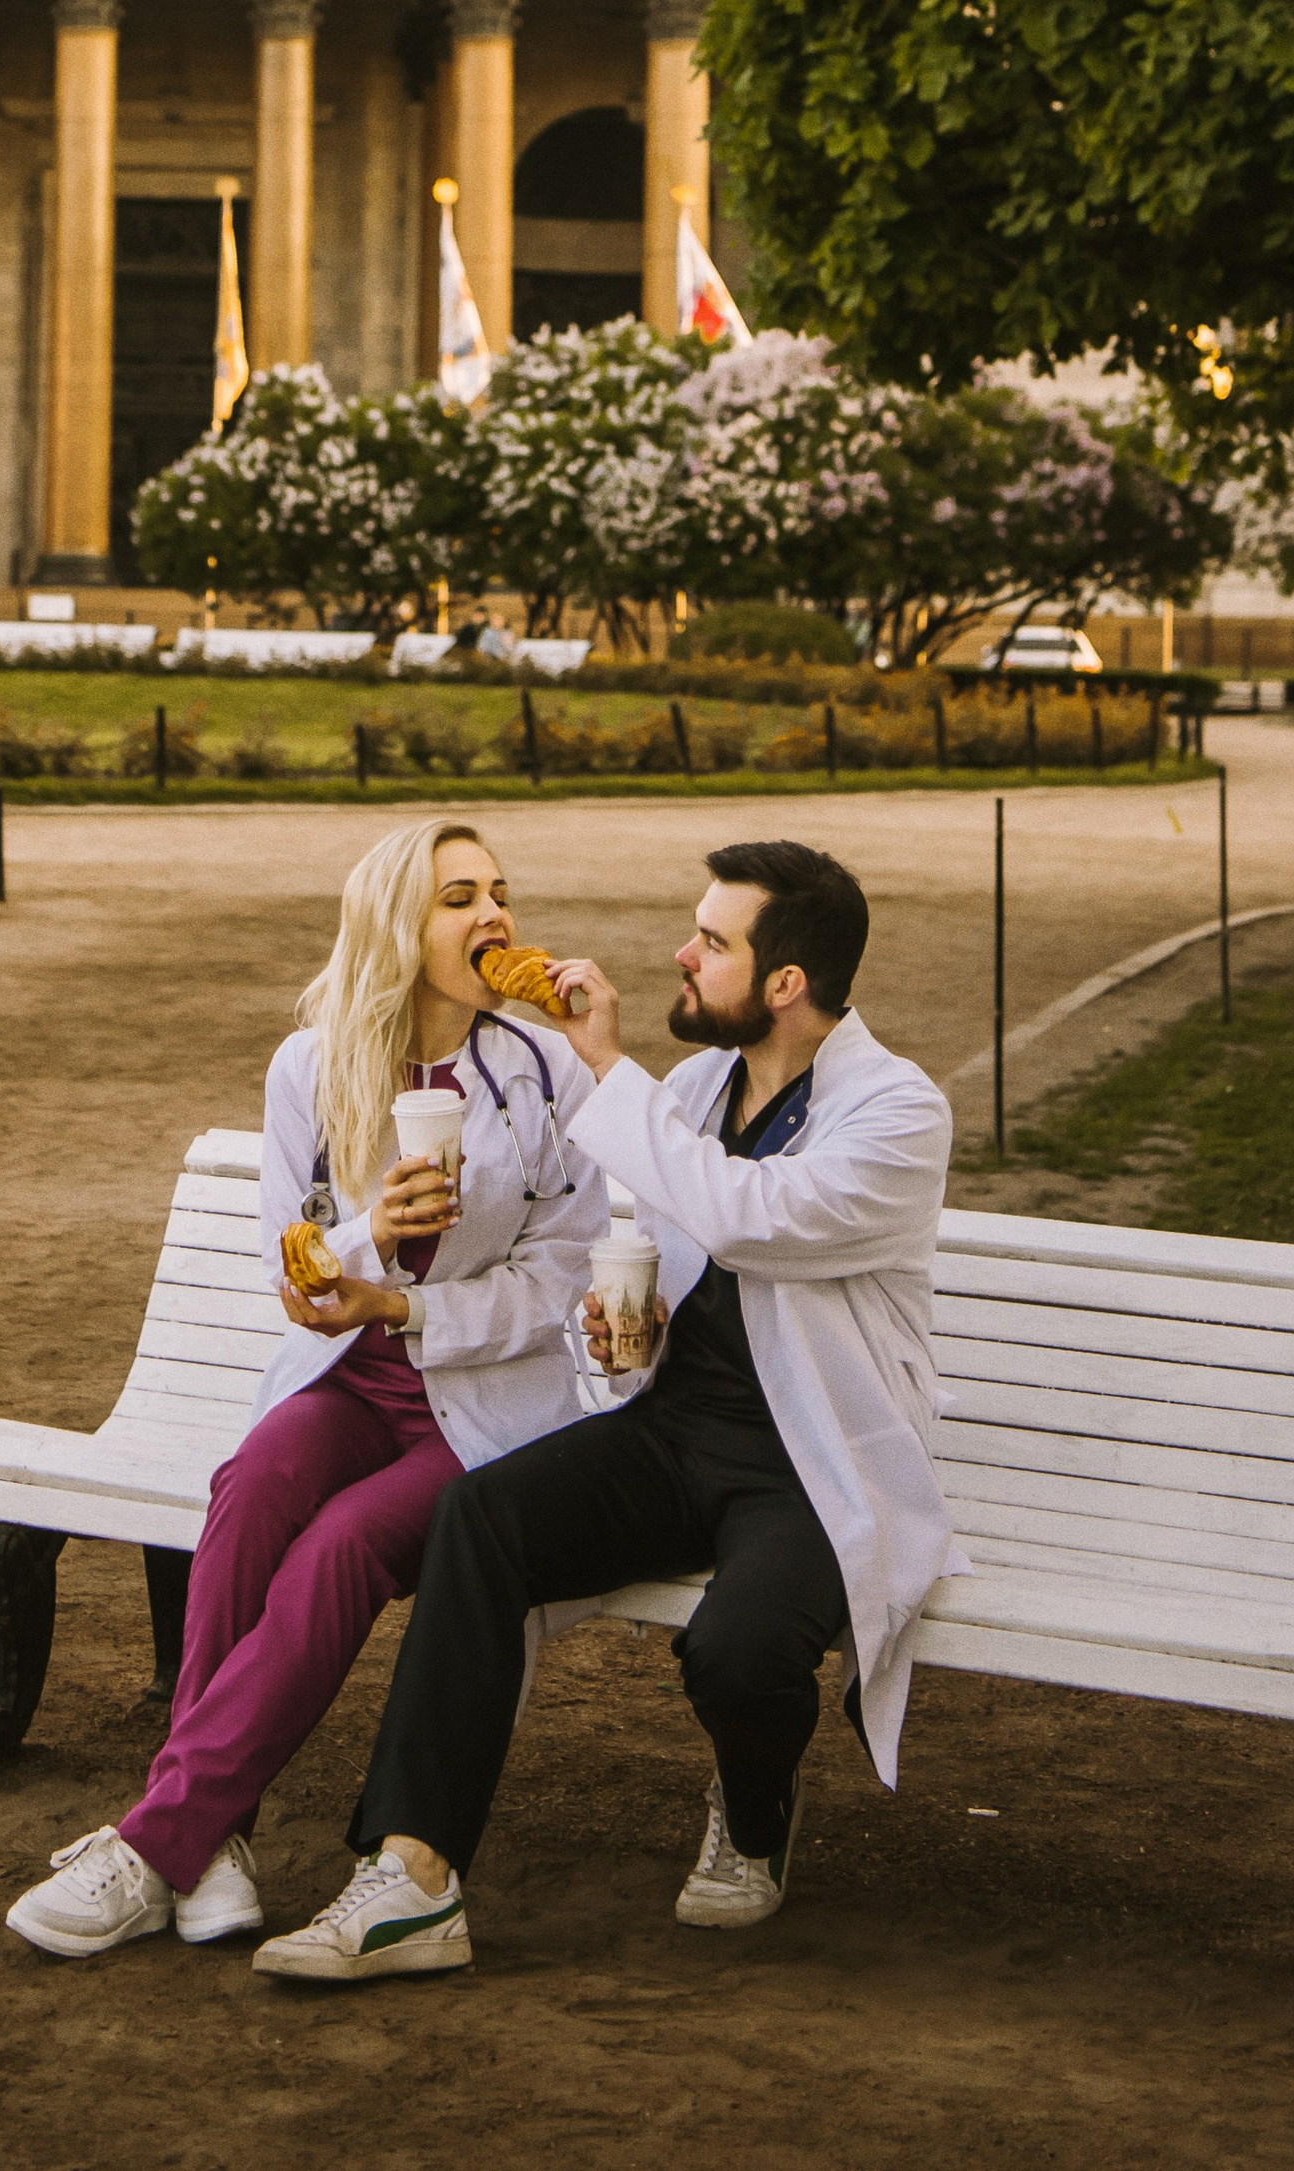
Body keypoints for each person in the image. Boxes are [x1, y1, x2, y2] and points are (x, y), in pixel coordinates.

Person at [253, 839, 957, 1985]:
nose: (682, 951)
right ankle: (414, 1875)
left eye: (712, 942)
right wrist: (621, 1321)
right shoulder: (693, 1089)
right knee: (477, 1521)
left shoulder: (895, 1112)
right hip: (676, 1430)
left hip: (811, 1456)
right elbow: (643, 1240)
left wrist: (599, 1063)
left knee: (734, 1649)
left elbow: (745, 1216)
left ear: (783, 984)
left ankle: (755, 1799)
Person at [2, 818, 608, 1962]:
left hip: (475, 1402)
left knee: (340, 1546)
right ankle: (215, 1836)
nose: (492, 917)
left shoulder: (544, 1069)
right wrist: (370, 1236)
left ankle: (154, 1844)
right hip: (346, 1374)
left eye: (499, 893)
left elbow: (555, 1282)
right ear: (394, 923)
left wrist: (412, 1307)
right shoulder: (312, 1064)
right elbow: (298, 1271)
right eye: (456, 898)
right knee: (253, 1483)